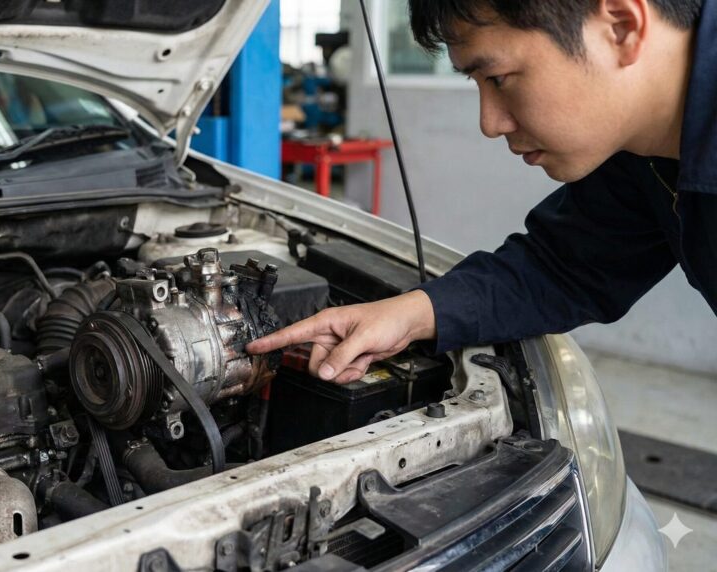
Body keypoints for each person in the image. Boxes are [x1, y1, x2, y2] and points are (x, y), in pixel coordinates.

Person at [247, 0, 714, 384]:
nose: (489, 123)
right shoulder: (639, 158)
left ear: (621, 28)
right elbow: (564, 269)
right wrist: (408, 314)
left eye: (498, 79)